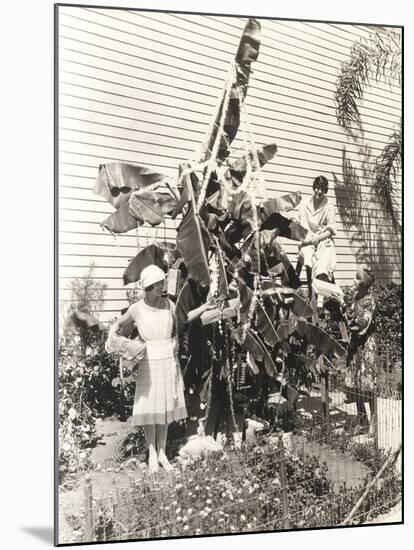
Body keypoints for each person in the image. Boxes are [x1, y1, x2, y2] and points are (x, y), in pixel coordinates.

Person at [108, 264, 188, 473]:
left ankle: (162, 452)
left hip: (168, 359)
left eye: (162, 283)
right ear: (148, 287)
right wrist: (115, 337)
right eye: (157, 285)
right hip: (148, 361)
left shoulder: (169, 305)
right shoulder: (136, 308)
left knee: (164, 409)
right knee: (150, 409)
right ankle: (151, 453)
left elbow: (182, 323)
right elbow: (118, 324)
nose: (161, 287)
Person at [344, 267, 377, 435]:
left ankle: (374, 420)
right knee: (355, 384)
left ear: (363, 284)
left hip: (365, 347)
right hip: (355, 346)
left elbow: (362, 324)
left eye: (356, 279)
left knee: (368, 385)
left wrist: (349, 318)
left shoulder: (369, 301)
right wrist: (345, 309)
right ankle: (362, 418)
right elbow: (350, 315)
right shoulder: (355, 297)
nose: (353, 281)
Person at [295, 175, 337, 310]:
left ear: (325, 191)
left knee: (324, 260)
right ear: (314, 187)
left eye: (322, 189)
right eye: (317, 188)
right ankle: (317, 293)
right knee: (310, 258)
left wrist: (318, 239)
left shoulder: (329, 205)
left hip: (322, 239)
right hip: (307, 240)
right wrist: (307, 239)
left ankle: (320, 299)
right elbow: (298, 223)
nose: (319, 192)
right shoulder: (305, 203)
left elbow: (331, 229)